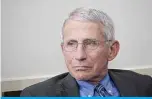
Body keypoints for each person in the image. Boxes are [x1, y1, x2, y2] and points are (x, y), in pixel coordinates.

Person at [20, 7, 152, 97]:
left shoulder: (144, 85)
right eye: (71, 44)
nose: (79, 56)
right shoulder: (35, 95)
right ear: (63, 49)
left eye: (91, 43)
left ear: (112, 50)